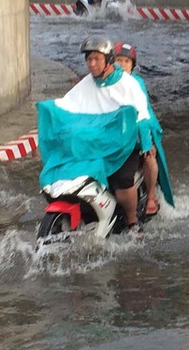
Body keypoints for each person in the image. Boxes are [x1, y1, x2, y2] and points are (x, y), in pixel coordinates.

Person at [36, 37, 169, 235]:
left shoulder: (128, 84)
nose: (92, 64)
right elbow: (68, 105)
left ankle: (132, 223)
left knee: (122, 181)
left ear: (108, 60)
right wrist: (48, 111)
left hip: (122, 142)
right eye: (89, 59)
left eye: (96, 59)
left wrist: (146, 144)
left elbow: (141, 114)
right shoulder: (87, 84)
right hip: (96, 143)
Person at [114, 41, 172, 216]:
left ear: (132, 65)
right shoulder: (107, 82)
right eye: (119, 60)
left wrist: (146, 143)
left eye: (126, 61)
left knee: (149, 158)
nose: (122, 65)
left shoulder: (136, 83)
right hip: (116, 133)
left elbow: (142, 113)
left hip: (140, 130)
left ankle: (151, 197)